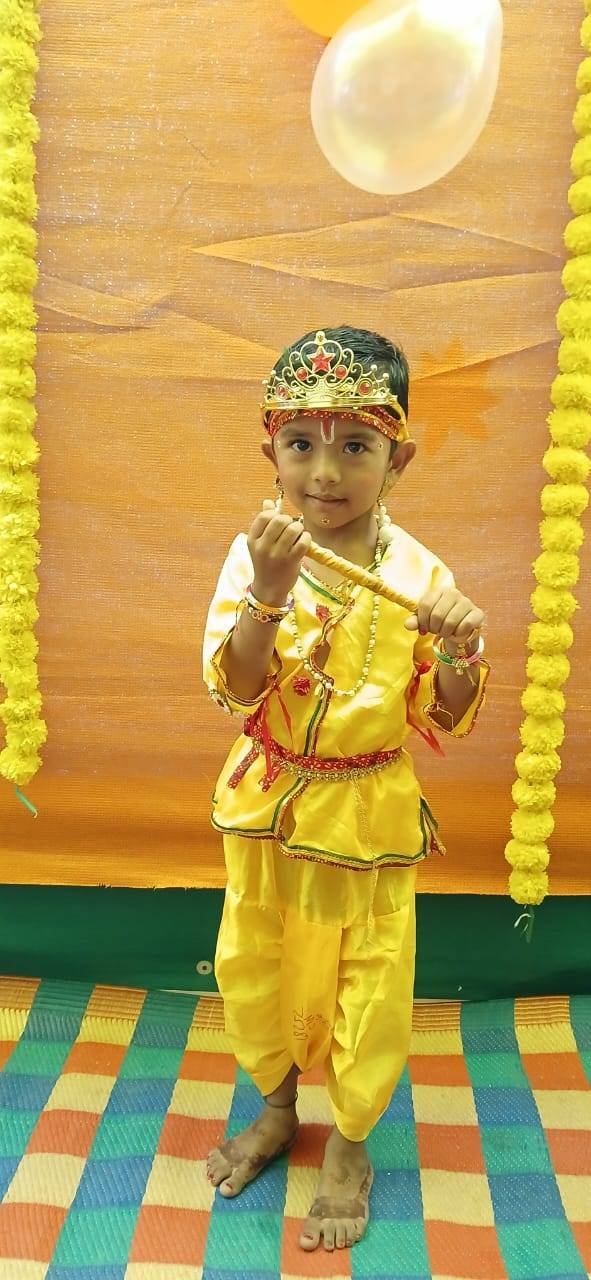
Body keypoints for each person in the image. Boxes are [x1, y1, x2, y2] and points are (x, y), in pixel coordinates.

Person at [202, 326, 490, 1253]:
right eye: (300, 443)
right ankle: (277, 1109)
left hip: (368, 814)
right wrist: (269, 590)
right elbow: (237, 688)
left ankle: (351, 1145)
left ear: (397, 460)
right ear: (270, 453)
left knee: (368, 981)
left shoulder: (420, 577)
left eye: (355, 446)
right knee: (255, 960)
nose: (323, 473)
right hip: (267, 802)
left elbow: (444, 712)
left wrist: (459, 649)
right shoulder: (256, 555)